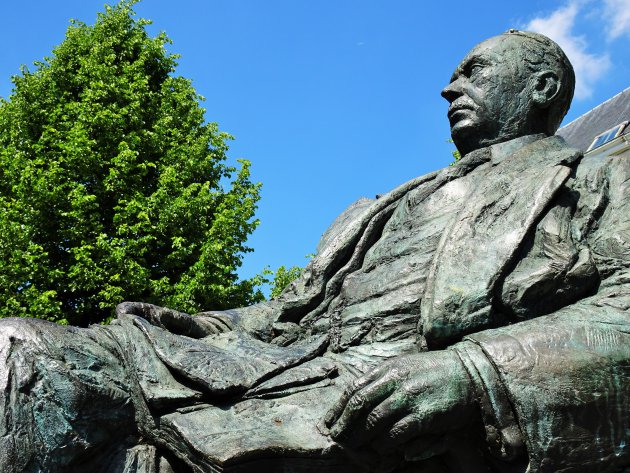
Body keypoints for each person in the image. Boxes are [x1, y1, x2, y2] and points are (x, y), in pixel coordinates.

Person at [0, 30, 628, 473]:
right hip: (277, 366)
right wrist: (205, 326)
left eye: (474, 70)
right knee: (23, 355)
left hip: (370, 391)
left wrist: (472, 373)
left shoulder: (596, 176)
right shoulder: (393, 201)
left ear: (542, 85)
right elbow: (297, 311)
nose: (447, 87)